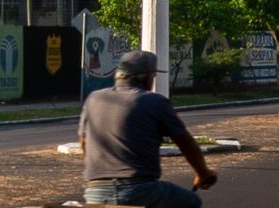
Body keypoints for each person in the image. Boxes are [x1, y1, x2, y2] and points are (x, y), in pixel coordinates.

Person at [77, 50, 218, 207]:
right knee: (192, 201)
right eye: (153, 76)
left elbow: (84, 142)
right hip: (138, 191)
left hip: (95, 192)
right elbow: (185, 142)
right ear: (146, 77)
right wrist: (202, 172)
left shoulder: (93, 99)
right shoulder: (154, 101)